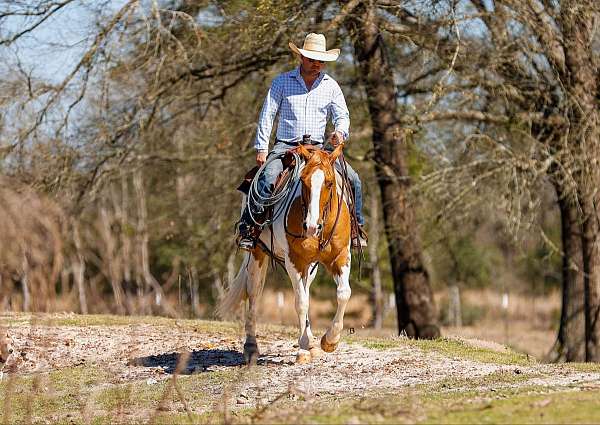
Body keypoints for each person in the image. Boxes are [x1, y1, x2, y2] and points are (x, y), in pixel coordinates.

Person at [237, 33, 366, 250]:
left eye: (320, 60)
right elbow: (267, 115)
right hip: (286, 146)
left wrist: (340, 133)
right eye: (312, 59)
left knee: (354, 180)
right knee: (267, 178)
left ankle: (356, 228)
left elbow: (342, 116)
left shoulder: (331, 86)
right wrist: (262, 147)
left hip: (318, 149)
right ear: (302, 58)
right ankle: (249, 229)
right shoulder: (281, 82)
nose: (317, 64)